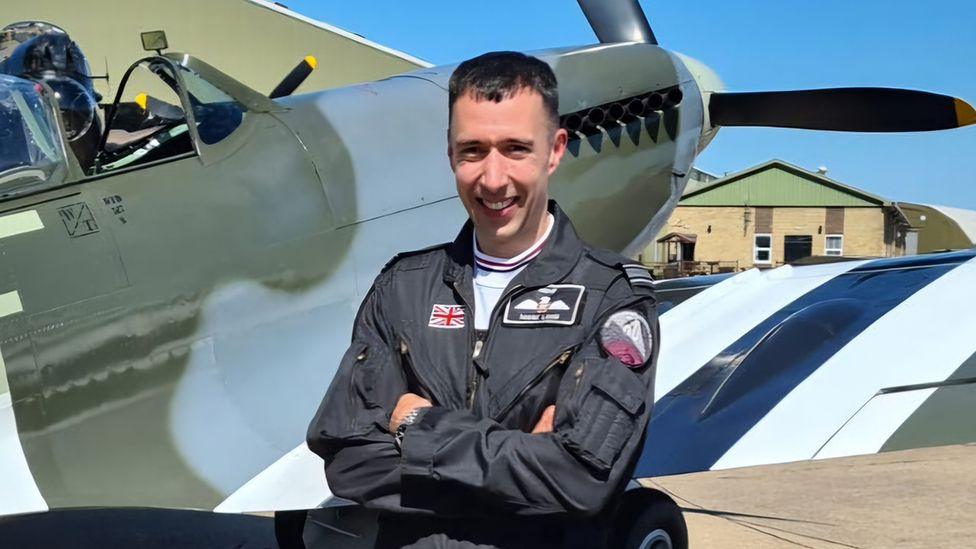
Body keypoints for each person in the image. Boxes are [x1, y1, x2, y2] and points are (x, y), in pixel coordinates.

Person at [307, 51, 659, 549]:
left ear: (555, 150)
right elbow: (349, 464)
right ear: (450, 153)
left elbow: (581, 480)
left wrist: (415, 424)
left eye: (516, 148)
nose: (493, 179)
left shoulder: (611, 297)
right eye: (473, 150)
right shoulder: (401, 287)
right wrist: (523, 466)